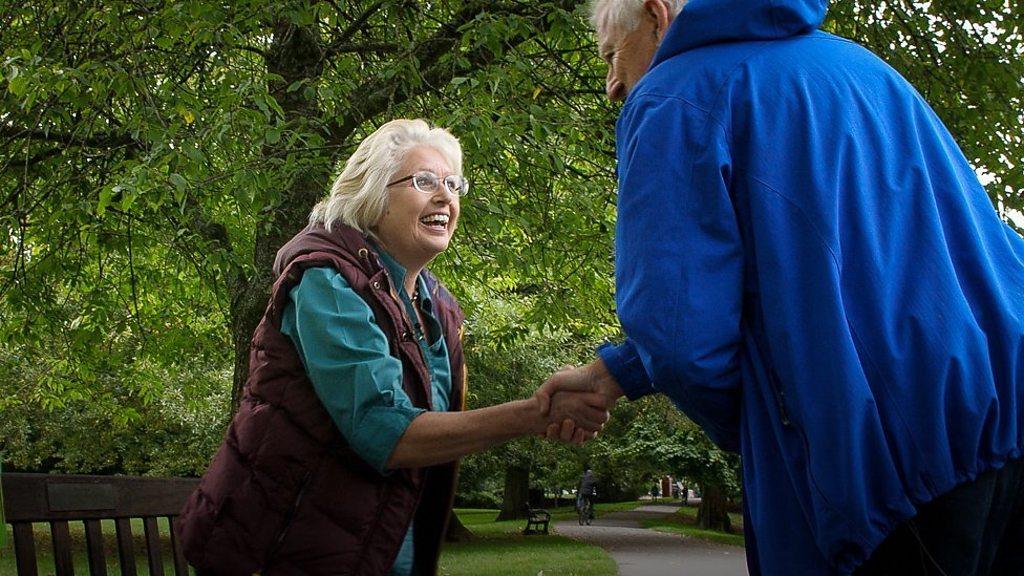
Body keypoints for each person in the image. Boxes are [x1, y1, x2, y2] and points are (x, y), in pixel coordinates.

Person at [539, 1, 1024, 574]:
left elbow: (677, 337)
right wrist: (618, 371)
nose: (612, 85)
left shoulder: (673, 94)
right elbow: (842, 275)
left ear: (657, 13)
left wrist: (770, 433)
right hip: (1006, 413)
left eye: (612, 55)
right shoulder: (864, 70)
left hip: (887, 465)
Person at [176, 119, 608, 575]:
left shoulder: (437, 307)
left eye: (453, 184)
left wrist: (556, 411)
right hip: (284, 549)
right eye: (424, 182)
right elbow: (385, 429)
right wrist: (537, 412)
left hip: (378, 548)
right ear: (374, 196)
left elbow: (441, 429)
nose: (446, 196)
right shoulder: (326, 279)